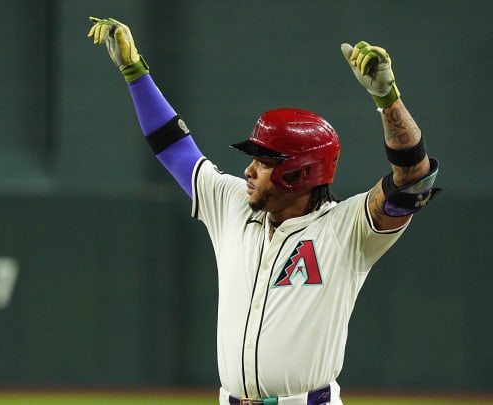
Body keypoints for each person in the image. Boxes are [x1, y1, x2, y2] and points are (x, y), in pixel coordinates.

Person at [87, 16, 440, 405]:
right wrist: (134, 72)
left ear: (300, 170)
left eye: (264, 160)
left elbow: (413, 182)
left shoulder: (347, 229)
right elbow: (173, 147)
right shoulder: (233, 204)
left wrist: (387, 99)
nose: (249, 170)